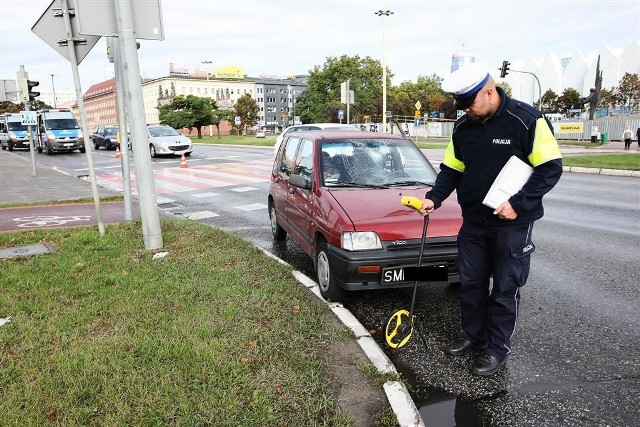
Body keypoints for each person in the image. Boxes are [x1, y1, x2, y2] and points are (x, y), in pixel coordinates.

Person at [418, 62, 563, 376]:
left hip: (512, 226)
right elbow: (451, 170)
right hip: (473, 223)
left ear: (489, 90)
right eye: (462, 105)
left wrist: (519, 204)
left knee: (504, 289)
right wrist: (434, 198)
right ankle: (474, 336)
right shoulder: (462, 127)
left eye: (470, 103)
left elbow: (550, 168)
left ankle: (496, 349)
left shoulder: (526, 120)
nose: (466, 110)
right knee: (470, 284)